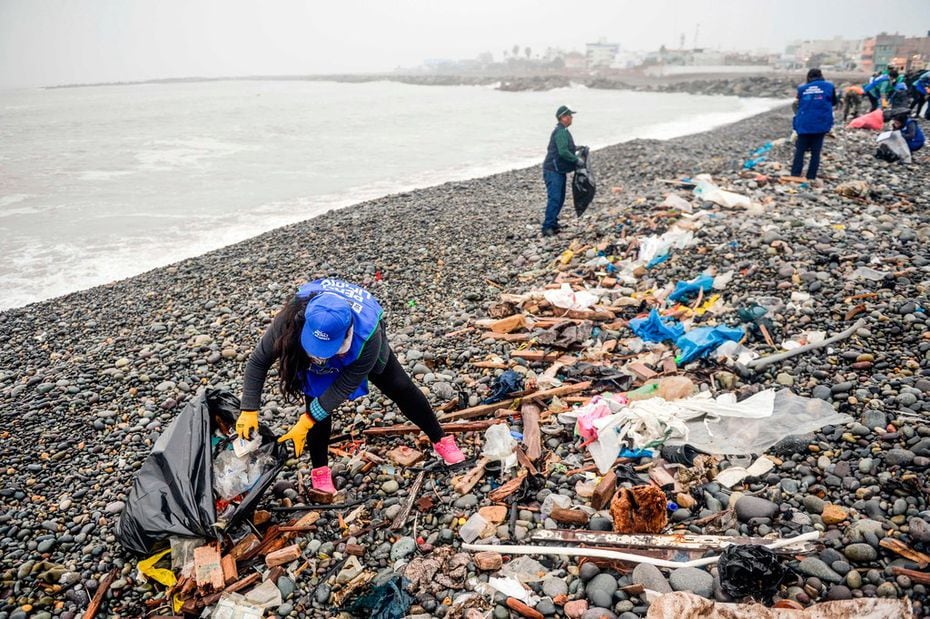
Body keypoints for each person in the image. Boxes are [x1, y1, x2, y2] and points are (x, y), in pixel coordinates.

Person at [235, 278, 465, 493]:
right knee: (315, 397)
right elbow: (258, 361)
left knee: (400, 386)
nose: (320, 357)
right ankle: (320, 470)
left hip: (359, 345)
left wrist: (306, 421)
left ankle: (440, 439)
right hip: (313, 334)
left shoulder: (368, 335)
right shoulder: (290, 320)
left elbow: (345, 384)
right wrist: (249, 409)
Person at [542, 105, 582, 237]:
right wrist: (576, 160)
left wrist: (577, 148)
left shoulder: (563, 131)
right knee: (555, 198)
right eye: (570, 116)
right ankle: (547, 227)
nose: (572, 118)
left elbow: (566, 147)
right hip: (553, 170)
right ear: (563, 117)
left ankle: (553, 223)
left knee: (560, 198)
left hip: (559, 170)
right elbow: (563, 151)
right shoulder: (560, 132)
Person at [791, 68, 837, 181]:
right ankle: (811, 177)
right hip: (820, 123)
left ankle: (795, 174)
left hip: (803, 123)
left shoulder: (802, 88)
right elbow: (834, 102)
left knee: (800, 151)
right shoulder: (829, 86)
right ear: (821, 75)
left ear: (809, 77)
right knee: (815, 152)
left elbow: (796, 103)